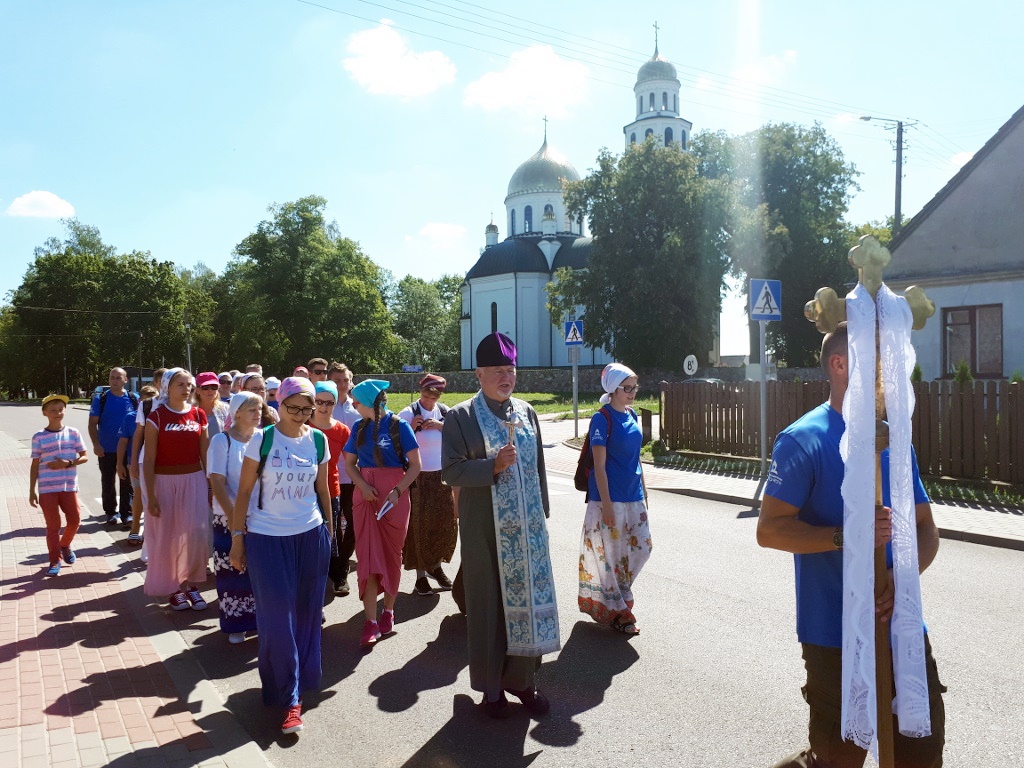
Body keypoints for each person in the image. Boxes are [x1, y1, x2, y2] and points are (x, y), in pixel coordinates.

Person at [756, 322, 945, 768]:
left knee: (920, 754)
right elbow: (770, 530)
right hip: (833, 634)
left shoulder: (892, 439)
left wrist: (901, 579)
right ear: (840, 364)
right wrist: (846, 537)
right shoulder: (803, 439)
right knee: (839, 758)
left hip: (902, 628)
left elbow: (926, 528)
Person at [441, 332, 559, 719]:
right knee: (489, 606)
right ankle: (492, 690)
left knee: (527, 604)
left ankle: (523, 682)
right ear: (479, 374)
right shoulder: (460, 416)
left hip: (526, 530)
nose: (506, 377)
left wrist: (541, 513)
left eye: (510, 369)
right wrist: (492, 465)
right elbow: (452, 470)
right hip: (484, 529)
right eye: (497, 370)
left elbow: (539, 467)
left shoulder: (526, 412)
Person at [230, 377, 333, 735]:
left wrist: (330, 533)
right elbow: (243, 492)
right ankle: (287, 697)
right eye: (295, 407)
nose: (302, 415)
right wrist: (237, 539)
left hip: (310, 535)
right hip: (267, 538)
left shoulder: (318, 440)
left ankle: (301, 686)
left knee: (307, 615)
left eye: (309, 409)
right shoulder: (263, 439)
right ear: (281, 403)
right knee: (277, 620)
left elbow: (322, 489)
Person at [343, 379, 421, 648]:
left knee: (391, 555)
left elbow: (415, 466)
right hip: (365, 495)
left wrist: (398, 491)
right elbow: (349, 463)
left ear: (369, 403)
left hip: (394, 496)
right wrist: (362, 485)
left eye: (357, 401)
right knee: (367, 556)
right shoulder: (358, 427)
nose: (354, 405)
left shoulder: (399, 426)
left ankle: (388, 611)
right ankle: (370, 621)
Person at [578, 363, 651, 635]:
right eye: (627, 388)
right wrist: (606, 504)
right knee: (613, 556)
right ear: (613, 389)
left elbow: (637, 458)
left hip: (634, 496)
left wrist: (644, 490)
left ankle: (615, 595)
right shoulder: (602, 418)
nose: (632, 392)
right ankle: (621, 611)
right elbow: (599, 466)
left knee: (642, 548)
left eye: (635, 387)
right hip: (609, 499)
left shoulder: (630, 414)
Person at [142, 368, 211, 611]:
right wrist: (150, 495)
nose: (187, 389)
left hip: (194, 480)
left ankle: (191, 585)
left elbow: (205, 454)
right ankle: (173, 588)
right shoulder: (156, 417)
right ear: (168, 388)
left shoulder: (199, 414)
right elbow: (149, 459)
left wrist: (210, 484)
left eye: (189, 384)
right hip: (164, 482)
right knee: (168, 537)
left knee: (194, 536)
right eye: (180, 384)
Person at [207, 392, 260, 645]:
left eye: (259, 408)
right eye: (252, 408)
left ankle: (259, 620)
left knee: (258, 572)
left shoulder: (262, 439)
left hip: (261, 517)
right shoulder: (222, 441)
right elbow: (217, 482)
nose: (258, 412)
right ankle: (236, 624)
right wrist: (233, 518)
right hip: (227, 517)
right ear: (237, 412)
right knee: (232, 570)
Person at [398, 374, 457, 595]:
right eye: (427, 393)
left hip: (441, 475)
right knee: (418, 526)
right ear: (421, 390)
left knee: (442, 524)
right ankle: (420, 576)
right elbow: (394, 444)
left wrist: (442, 427)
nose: (430, 398)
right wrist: (411, 428)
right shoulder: (407, 413)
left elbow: (458, 439)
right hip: (417, 477)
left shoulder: (445, 412)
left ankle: (436, 567)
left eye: (435, 394)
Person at [29, 394, 87, 576]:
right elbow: (35, 464)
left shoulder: (73, 433)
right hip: (47, 488)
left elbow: (84, 456)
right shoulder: (39, 437)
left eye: (61, 409)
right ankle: (55, 560)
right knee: (53, 526)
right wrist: (32, 490)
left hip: (69, 486)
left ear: (65, 411)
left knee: (75, 519)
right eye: (53, 410)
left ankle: (65, 545)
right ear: (44, 413)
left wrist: (67, 463)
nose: (58, 413)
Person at [308, 381, 351, 596]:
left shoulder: (342, 430)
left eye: (329, 402)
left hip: (331, 490)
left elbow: (353, 460)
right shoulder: (304, 426)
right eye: (319, 402)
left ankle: (337, 577)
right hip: (303, 490)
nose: (324, 407)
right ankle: (312, 582)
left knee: (330, 536)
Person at [89, 367, 138, 526]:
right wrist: (96, 445)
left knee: (128, 482)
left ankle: (127, 514)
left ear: (125, 380)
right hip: (107, 449)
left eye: (118, 378)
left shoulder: (134, 398)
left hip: (129, 450)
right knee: (108, 481)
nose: (115, 381)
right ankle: (110, 512)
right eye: (112, 377)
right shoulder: (101, 399)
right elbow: (92, 424)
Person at [327, 362, 360, 596]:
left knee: (355, 525)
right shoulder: (322, 408)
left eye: (344, 380)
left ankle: (342, 563)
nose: (341, 384)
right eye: (336, 380)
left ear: (351, 382)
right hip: (326, 478)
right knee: (332, 527)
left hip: (354, 476)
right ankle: (336, 571)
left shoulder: (357, 410)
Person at [130, 368, 167, 551]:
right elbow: (138, 434)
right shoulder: (146, 405)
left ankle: (165, 546)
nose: (165, 387)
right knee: (150, 502)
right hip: (147, 461)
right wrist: (134, 462)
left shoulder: (184, 405)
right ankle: (150, 547)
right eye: (162, 382)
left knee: (169, 506)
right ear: (155, 384)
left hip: (171, 463)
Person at [117, 384, 158, 545]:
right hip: (135, 462)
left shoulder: (163, 414)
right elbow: (123, 442)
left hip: (157, 464)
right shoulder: (130, 417)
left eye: (152, 397)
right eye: (145, 398)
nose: (149, 401)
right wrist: (121, 464)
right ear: (140, 400)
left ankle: (150, 531)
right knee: (139, 494)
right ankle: (135, 528)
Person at [194, 371, 228, 440]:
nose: (210, 390)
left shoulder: (226, 409)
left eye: (214, 387)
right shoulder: (190, 410)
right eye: (205, 387)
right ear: (197, 390)